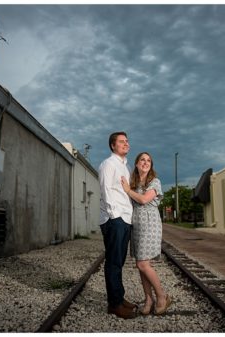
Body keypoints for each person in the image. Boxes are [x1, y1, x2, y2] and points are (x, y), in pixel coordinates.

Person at [120, 152, 172, 315]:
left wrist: (128, 190)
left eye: (148, 160)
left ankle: (162, 296)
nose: (145, 162)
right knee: (141, 265)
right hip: (136, 224)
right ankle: (148, 299)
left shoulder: (154, 182)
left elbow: (143, 200)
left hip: (149, 223)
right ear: (136, 163)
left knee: (143, 264)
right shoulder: (134, 182)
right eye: (142, 159)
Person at [98, 131, 137, 319]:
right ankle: (114, 305)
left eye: (127, 141)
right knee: (113, 262)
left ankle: (119, 298)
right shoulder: (108, 164)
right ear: (113, 145)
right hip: (115, 219)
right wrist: (115, 216)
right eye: (122, 142)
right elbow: (106, 190)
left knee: (119, 262)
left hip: (126, 219)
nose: (126, 144)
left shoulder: (127, 167)